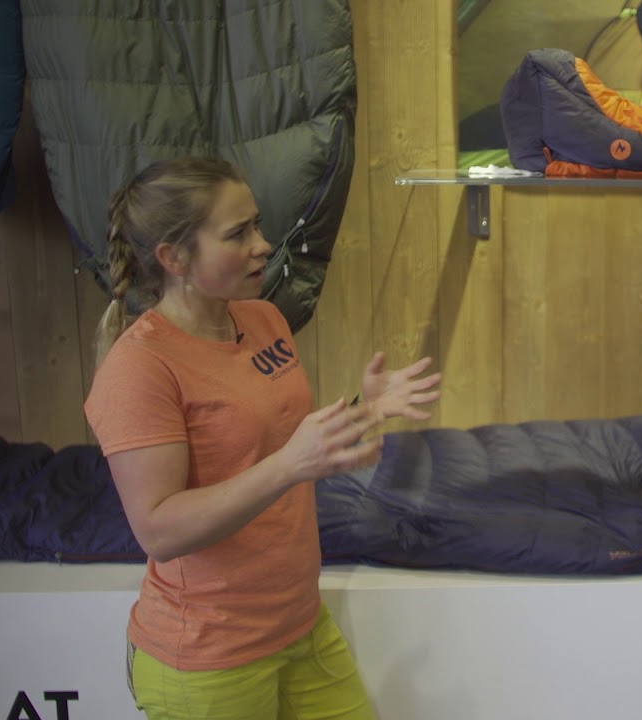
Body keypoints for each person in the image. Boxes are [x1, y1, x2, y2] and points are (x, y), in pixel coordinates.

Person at [84, 156, 441, 720]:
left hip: (299, 625)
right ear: (174, 258)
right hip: (208, 659)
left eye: (256, 224)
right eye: (238, 234)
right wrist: (290, 465)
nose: (263, 245)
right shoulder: (140, 368)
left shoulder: (263, 320)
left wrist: (365, 410)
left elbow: (276, 444)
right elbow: (159, 530)